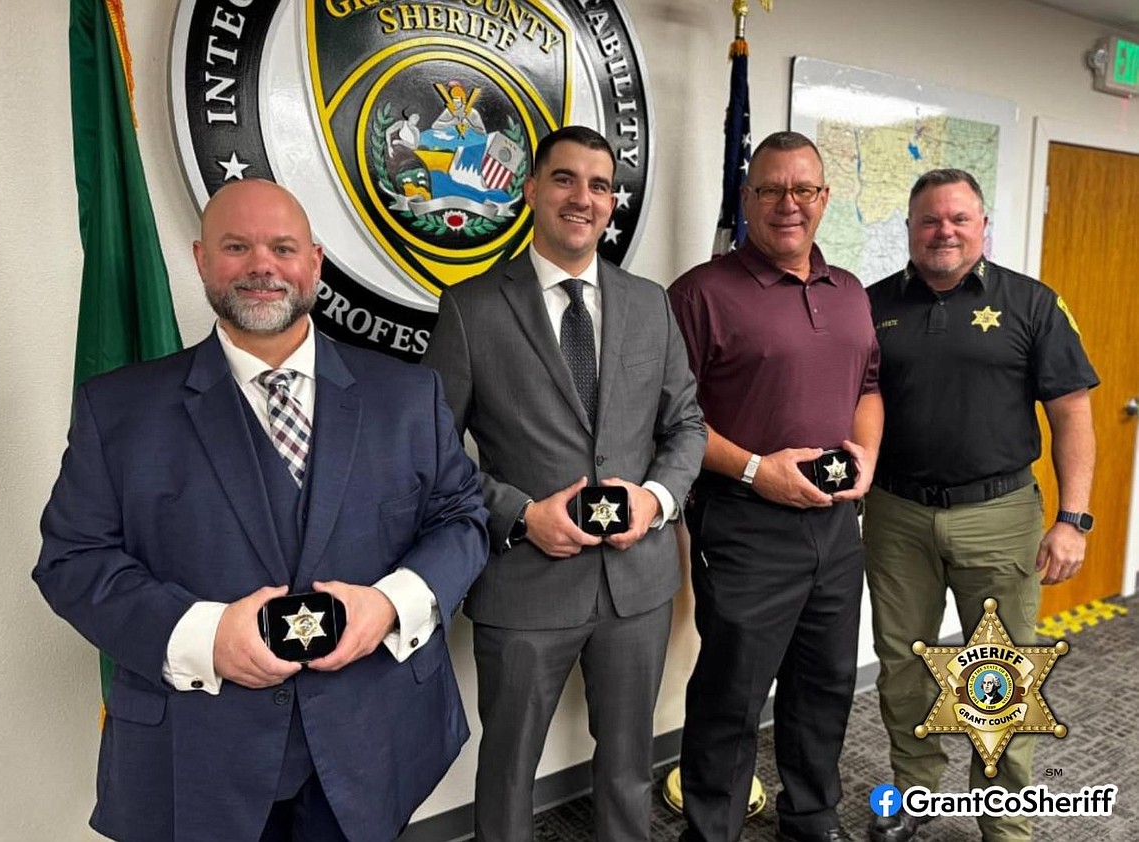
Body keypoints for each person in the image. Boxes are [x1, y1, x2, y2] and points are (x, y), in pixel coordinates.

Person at [33, 179, 489, 842]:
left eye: (282, 247)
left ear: (315, 263)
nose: (261, 265)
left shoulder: (409, 396)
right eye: (236, 247)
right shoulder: (119, 411)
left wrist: (392, 604)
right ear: (200, 260)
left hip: (371, 742)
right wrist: (205, 638)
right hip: (197, 757)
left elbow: (461, 517)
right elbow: (72, 561)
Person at [422, 125, 706, 842]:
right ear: (530, 190)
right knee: (509, 768)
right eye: (565, 179)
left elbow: (688, 428)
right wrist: (518, 515)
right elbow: (428, 451)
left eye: (600, 185)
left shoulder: (649, 303)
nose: (584, 197)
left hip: (636, 584)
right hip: (525, 583)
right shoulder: (471, 307)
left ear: (613, 202)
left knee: (628, 767)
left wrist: (658, 498)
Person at [864, 168, 1097, 842]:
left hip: (1000, 517)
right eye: (930, 220)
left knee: (998, 676)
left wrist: (1073, 520)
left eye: (959, 218)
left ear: (982, 225)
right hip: (896, 515)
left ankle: (1003, 820)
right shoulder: (871, 306)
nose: (944, 231)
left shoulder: (1033, 304)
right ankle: (913, 796)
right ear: (909, 229)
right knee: (904, 667)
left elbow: (1073, 416)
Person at [669, 130, 883, 842]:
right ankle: (712, 832)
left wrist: (868, 456)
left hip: (835, 527)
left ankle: (812, 822)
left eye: (804, 189)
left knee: (824, 689)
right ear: (747, 198)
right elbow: (669, 421)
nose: (788, 204)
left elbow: (870, 385)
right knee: (731, 699)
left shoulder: (848, 291)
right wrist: (760, 470)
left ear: (824, 198)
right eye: (771, 190)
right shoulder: (700, 293)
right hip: (745, 524)